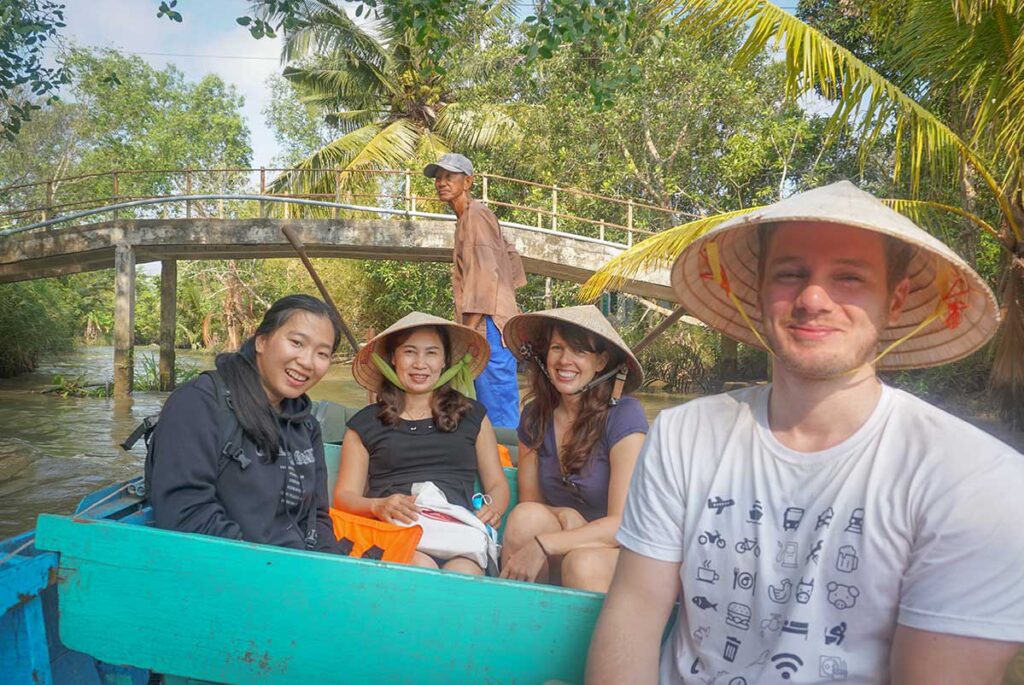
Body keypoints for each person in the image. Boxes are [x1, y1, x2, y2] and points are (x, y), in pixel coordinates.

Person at [587, 180, 1024, 684]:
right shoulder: (684, 435)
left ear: (897, 301)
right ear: (758, 292)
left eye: (850, 278)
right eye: (791, 273)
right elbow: (635, 610)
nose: (813, 298)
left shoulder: (977, 483)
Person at [149, 294, 343, 553]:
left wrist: (331, 570)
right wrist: (268, 570)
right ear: (262, 341)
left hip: (298, 568)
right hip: (231, 568)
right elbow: (185, 511)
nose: (307, 362)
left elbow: (316, 518)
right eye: (296, 342)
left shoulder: (306, 425)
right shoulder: (198, 403)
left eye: (322, 354)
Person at [333, 311, 510, 575]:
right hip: (393, 533)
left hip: (457, 534)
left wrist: (493, 508)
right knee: (419, 566)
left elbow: (496, 483)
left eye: (431, 353)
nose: (420, 364)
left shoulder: (472, 416)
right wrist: (377, 505)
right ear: (393, 359)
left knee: (464, 573)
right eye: (409, 352)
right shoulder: (365, 423)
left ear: (444, 361)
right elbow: (344, 496)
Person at [498, 305, 648, 593]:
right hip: (563, 537)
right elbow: (531, 505)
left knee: (582, 563)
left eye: (579, 351)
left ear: (601, 362)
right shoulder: (535, 415)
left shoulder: (624, 415)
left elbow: (622, 525)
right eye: (557, 348)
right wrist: (565, 512)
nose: (565, 360)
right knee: (524, 518)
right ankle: (522, 625)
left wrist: (545, 544)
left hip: (618, 549)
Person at [425, 152, 527, 429]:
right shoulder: (469, 217)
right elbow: (511, 259)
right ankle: (502, 460)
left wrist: (467, 332)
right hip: (495, 319)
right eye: (438, 178)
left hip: (488, 324)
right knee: (491, 397)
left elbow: (484, 277)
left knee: (497, 402)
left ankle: (508, 465)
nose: (441, 183)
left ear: (467, 182)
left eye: (449, 177)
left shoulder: (476, 216)